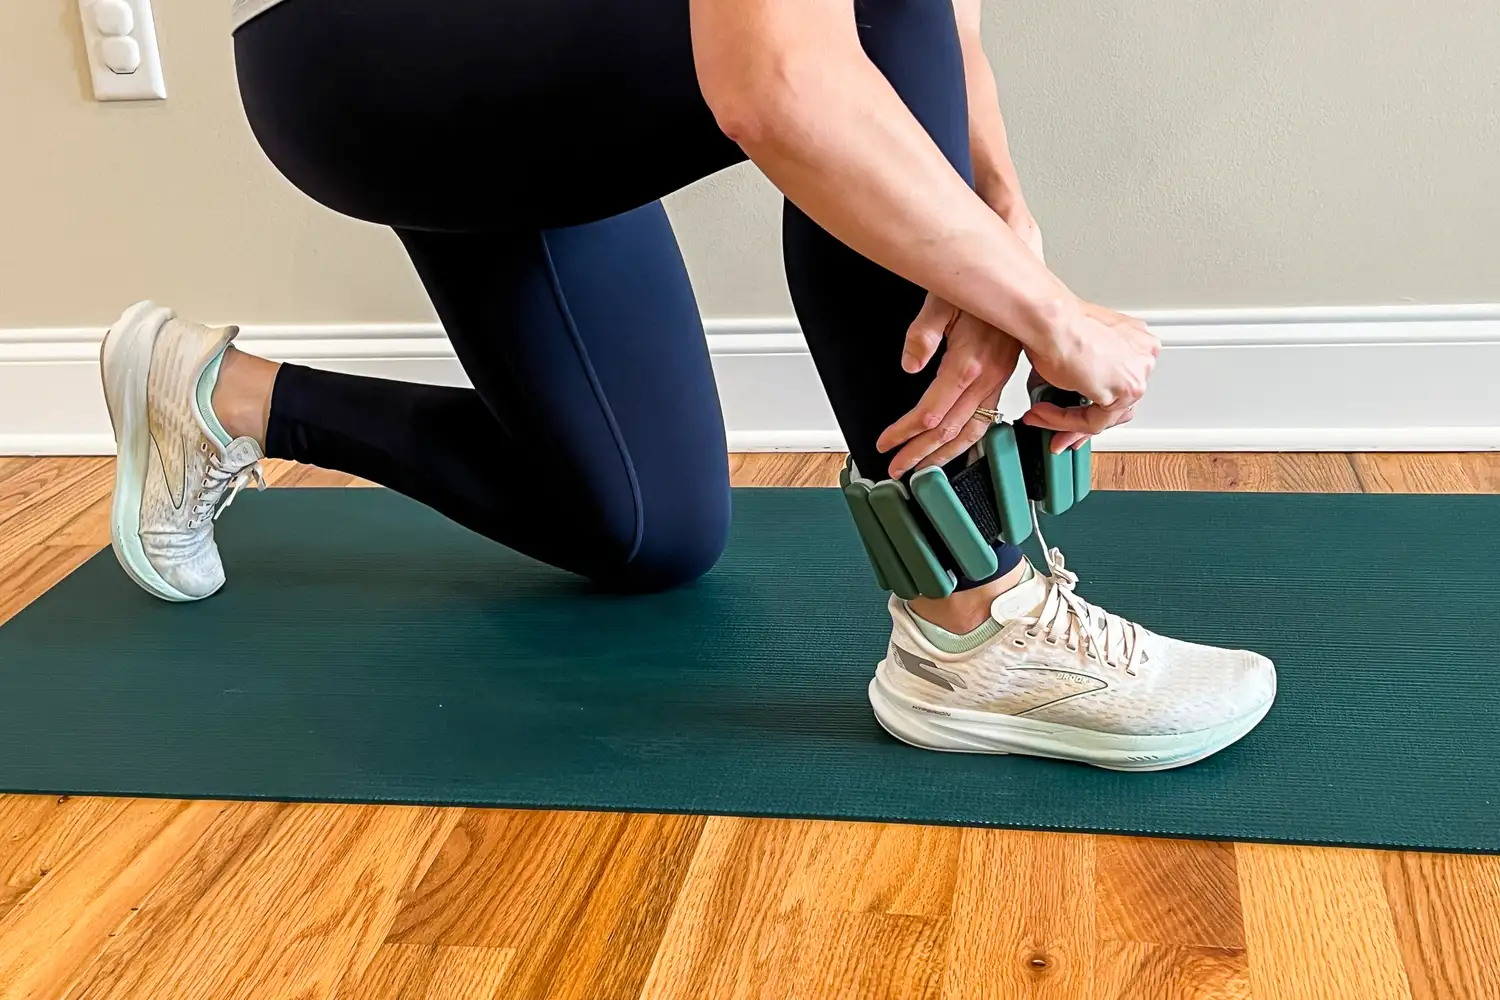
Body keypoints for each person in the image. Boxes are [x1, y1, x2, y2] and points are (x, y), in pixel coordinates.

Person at [99, 0, 1274, 770]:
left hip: (496, 60)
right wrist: (1052, 320)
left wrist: (1001, 221)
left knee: (643, 526)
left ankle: (213, 395)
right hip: (372, 43)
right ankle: (972, 623)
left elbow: (944, 25)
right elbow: (784, 78)